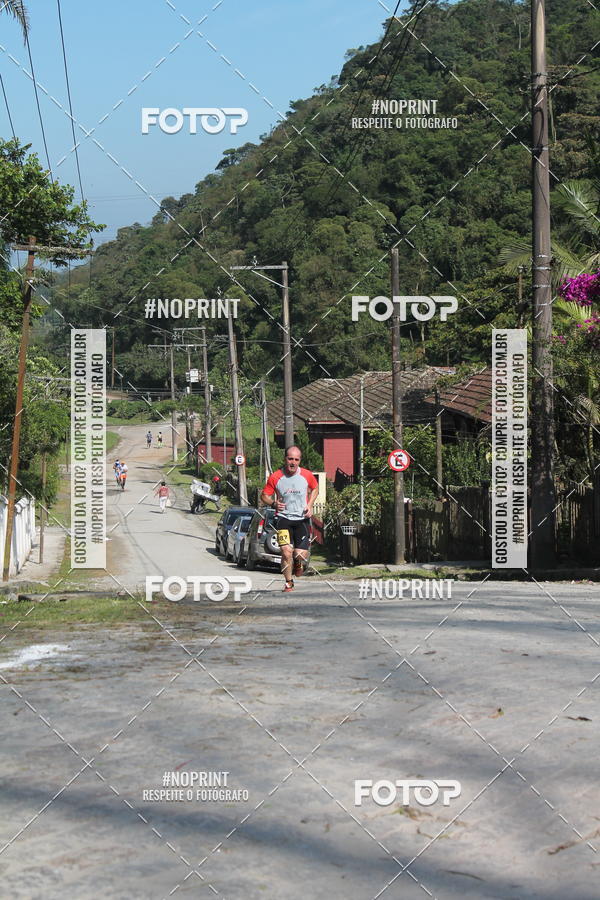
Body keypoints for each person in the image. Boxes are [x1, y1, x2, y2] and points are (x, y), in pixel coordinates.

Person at [260, 446, 318, 593]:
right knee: (286, 552)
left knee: (299, 554)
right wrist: (273, 503)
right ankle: (288, 582)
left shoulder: (307, 475)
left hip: (302, 519)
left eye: (296, 459)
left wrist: (309, 505)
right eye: (290, 459)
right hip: (283, 519)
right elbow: (264, 496)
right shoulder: (276, 477)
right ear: (285, 459)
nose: (293, 462)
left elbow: (315, 488)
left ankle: (298, 563)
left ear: (300, 461)